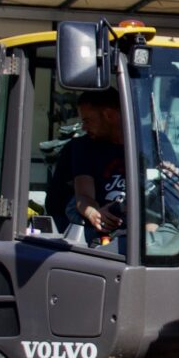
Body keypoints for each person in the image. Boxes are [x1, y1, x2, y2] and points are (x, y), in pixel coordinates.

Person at [56, 88, 128, 244]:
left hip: (147, 239)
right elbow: (84, 195)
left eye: (87, 121)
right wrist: (94, 213)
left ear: (109, 115)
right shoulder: (83, 146)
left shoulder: (153, 143)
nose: (83, 128)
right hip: (99, 236)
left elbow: (176, 193)